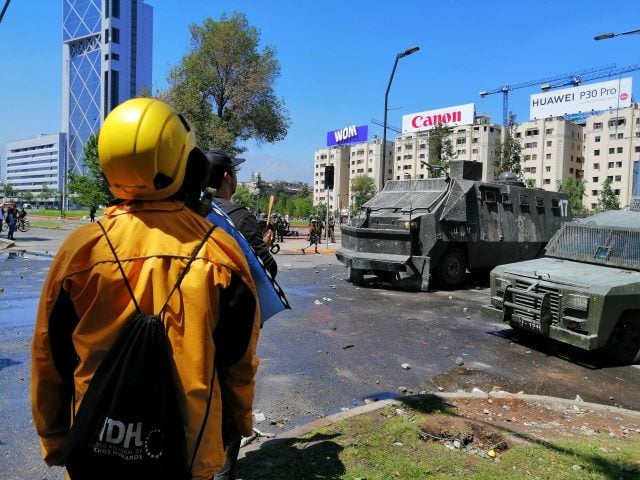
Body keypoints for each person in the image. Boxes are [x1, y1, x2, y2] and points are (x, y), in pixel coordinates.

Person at [30, 98, 262, 479]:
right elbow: (239, 360)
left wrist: (54, 438)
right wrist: (238, 421)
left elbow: (48, 358)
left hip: (96, 445)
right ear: (186, 166)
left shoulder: (80, 251)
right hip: (189, 452)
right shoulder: (221, 253)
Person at [206, 149, 277, 278]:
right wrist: (264, 248)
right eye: (235, 173)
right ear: (228, 177)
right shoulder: (241, 217)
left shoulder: (190, 211)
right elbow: (267, 269)